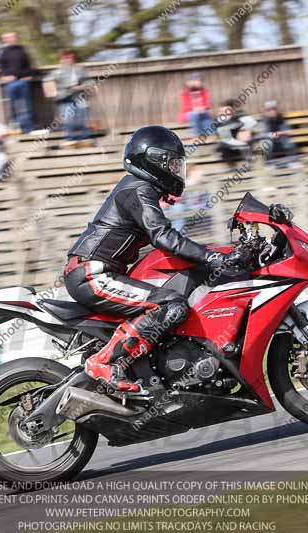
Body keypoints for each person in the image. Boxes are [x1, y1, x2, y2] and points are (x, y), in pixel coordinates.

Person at [64, 126, 243, 392]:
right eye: (171, 164)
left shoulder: (139, 189)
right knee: (168, 306)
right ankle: (104, 363)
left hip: (99, 272)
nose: (175, 170)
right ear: (154, 161)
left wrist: (218, 252)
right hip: (92, 274)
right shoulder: (137, 189)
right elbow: (163, 236)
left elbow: (167, 239)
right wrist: (212, 257)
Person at [47, 50, 91, 144]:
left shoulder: (80, 70)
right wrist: (61, 92)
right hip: (63, 100)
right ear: (61, 59)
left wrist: (80, 87)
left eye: (70, 58)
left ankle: (86, 139)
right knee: (68, 120)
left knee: (82, 118)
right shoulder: (55, 73)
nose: (68, 60)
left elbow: (90, 82)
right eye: (66, 58)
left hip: (79, 98)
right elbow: (48, 86)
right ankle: (71, 139)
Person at [0, 32, 35, 133]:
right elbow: (2, 68)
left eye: (12, 37)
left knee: (26, 105)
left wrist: (28, 75)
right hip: (10, 83)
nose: (10, 39)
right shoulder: (4, 52)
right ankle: (17, 127)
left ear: (16, 38)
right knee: (13, 106)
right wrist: (5, 76)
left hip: (23, 81)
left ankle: (28, 128)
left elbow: (28, 65)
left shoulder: (22, 50)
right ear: (4, 40)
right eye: (7, 38)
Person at [177, 72, 213, 138]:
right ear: (188, 83)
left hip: (202, 112)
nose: (195, 83)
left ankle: (210, 133)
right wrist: (195, 109)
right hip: (188, 113)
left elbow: (207, 104)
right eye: (192, 81)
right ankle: (196, 134)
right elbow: (186, 106)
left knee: (207, 114)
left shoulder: (205, 92)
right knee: (195, 114)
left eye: (197, 81)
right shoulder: (185, 93)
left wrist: (203, 108)